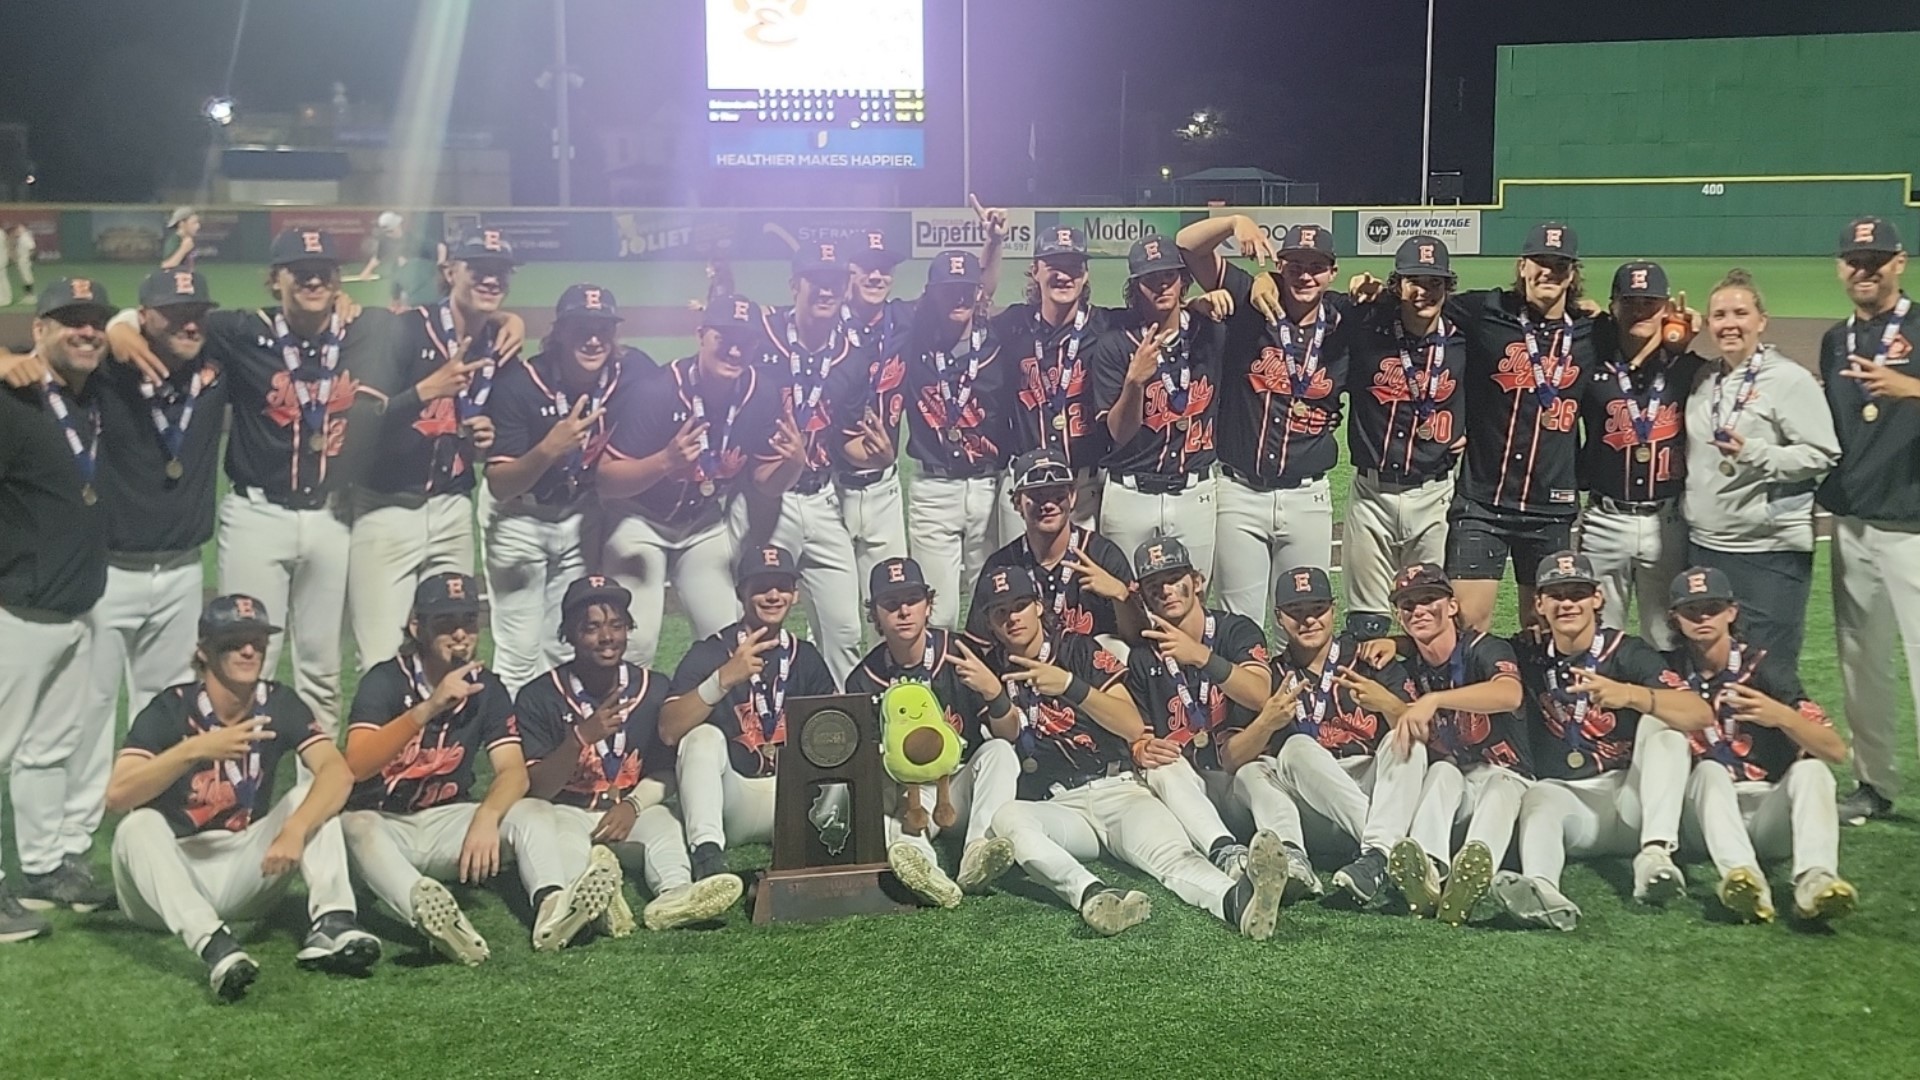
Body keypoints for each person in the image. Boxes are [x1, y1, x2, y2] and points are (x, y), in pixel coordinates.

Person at [106, 228, 401, 734]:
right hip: (256, 516)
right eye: (299, 272)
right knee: (242, 658)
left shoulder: (361, 329)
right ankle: (237, 771)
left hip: (332, 517)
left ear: (337, 280)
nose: (313, 281)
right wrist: (119, 326)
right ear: (274, 280)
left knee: (322, 666)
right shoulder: (240, 331)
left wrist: (509, 319)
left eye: (323, 272)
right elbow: (163, 318)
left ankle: (317, 775)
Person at [978, 566, 1286, 939]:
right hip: (1057, 803)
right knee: (1007, 817)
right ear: (989, 622)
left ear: (1038, 606)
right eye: (1000, 612)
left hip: (1119, 789)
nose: (1012, 618)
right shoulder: (989, 669)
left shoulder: (1076, 648)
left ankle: (1236, 901)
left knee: (1172, 858)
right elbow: (1006, 734)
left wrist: (1071, 686)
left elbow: (1131, 724)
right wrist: (995, 696)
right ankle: (1093, 895)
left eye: (1020, 606)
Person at [105, 596, 378, 1001]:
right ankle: (215, 947)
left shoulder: (278, 702)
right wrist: (192, 750)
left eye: (258, 641)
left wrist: (295, 829)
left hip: (245, 871)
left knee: (312, 796)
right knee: (137, 826)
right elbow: (117, 795)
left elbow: (338, 773)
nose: (249, 650)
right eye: (234, 641)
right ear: (204, 650)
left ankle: (334, 924)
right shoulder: (171, 708)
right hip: (164, 883)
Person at [340, 573, 610, 962]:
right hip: (383, 824)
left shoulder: (487, 687)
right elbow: (356, 766)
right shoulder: (385, 680)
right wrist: (429, 707)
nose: (460, 634)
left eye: (468, 621)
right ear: (417, 627)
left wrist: (487, 816)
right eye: (445, 623)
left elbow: (514, 772)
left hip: (449, 823)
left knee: (532, 809)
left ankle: (553, 906)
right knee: (355, 826)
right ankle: (430, 914)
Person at [66, 271, 229, 915]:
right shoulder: (106, 369)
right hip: (110, 570)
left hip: (183, 569)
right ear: (144, 316)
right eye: (173, 311)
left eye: (197, 311)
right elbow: (43, 352)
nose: (189, 323)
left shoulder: (215, 363)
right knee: (91, 711)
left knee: (165, 709)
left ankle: (158, 835)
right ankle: (71, 848)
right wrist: (115, 329)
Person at [1494, 551, 1713, 931]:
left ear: (1598, 598)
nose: (1567, 603)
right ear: (1539, 604)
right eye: (1556, 594)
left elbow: (1699, 713)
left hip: (1631, 798)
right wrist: (1401, 645)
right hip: (1571, 801)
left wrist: (1631, 695)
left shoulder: (1628, 651)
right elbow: (1468, 648)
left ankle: (1655, 855)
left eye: (1577, 593)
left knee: (1664, 728)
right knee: (1539, 797)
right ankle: (1543, 890)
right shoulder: (1526, 653)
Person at [517, 575, 746, 932]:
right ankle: (591, 904)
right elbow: (538, 789)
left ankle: (675, 896)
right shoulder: (538, 695)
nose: (607, 637)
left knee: (667, 827)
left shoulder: (653, 687)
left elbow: (666, 772)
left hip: (631, 809)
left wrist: (633, 806)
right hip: (570, 811)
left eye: (616, 625)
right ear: (569, 634)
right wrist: (579, 738)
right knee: (564, 846)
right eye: (591, 627)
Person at [349, 229, 524, 669]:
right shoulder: (402, 330)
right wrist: (424, 391)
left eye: (501, 271)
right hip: (385, 508)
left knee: (452, 651)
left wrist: (484, 440)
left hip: (452, 510)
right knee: (381, 657)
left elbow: (497, 434)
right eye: (479, 269)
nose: (491, 280)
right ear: (450, 272)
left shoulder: (501, 346)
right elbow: (357, 425)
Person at [0, 279, 113, 940]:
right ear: (38, 328)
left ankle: (42, 868)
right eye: (71, 320)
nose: (87, 331)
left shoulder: (91, 396)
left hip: (75, 609)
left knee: (50, 750)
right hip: (16, 608)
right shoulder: (11, 399)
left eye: (95, 320)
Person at [599, 295, 795, 666]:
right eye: (725, 338)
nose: (735, 350)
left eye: (746, 340)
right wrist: (664, 462)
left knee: (730, 640)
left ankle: (720, 707)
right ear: (701, 335)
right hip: (639, 520)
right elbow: (607, 480)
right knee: (634, 644)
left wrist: (794, 466)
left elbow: (765, 481)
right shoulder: (657, 391)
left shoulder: (761, 394)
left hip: (702, 523)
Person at [1177, 217, 1351, 622]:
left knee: (1305, 617)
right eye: (1295, 266)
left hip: (1308, 496)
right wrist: (1235, 222)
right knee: (1239, 620)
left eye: (1316, 267)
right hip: (1240, 494)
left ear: (1332, 272)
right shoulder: (1249, 302)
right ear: (1280, 267)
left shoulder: (1345, 321)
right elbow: (1187, 246)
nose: (1305, 276)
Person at [1665, 566, 1854, 923]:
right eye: (1691, 610)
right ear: (1675, 618)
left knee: (1813, 770)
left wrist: (1783, 717)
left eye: (1712, 608)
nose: (1703, 617)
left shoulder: (1765, 667)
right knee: (1708, 771)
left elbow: (1835, 751)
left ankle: (1816, 880)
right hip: (1702, 815)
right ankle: (1743, 879)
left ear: (1731, 612)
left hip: (1769, 809)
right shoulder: (1665, 669)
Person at [1225, 567, 1422, 908]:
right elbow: (1230, 760)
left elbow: (1423, 732)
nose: (1308, 620)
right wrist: (1266, 724)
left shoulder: (1370, 658)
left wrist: (1387, 704)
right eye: (1296, 612)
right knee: (1281, 756)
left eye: (1317, 609)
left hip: (1371, 782)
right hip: (1312, 798)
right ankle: (1381, 852)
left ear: (1333, 609)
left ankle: (1377, 854)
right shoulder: (1269, 675)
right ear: (1278, 617)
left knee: (1407, 740)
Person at [1444, 223, 1604, 632]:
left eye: (1560, 264)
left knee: (1543, 629)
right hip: (1483, 503)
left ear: (1572, 274)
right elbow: (1420, 304)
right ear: (1522, 266)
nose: (1549, 271)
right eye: (1540, 262)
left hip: (1550, 507)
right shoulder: (1485, 312)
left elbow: (1646, 334)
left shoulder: (1594, 332)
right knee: (1467, 624)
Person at [1682, 268, 1838, 679]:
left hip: (1768, 552)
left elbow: (1822, 453)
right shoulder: (1705, 378)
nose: (1729, 324)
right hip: (1707, 547)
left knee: (1769, 672)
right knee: (1712, 670)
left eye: (1740, 313)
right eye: (1719, 315)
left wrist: (1755, 453)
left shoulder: (1788, 379)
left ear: (1761, 321)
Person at [1817, 217, 1920, 825]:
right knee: (1862, 663)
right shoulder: (1836, 340)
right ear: (1840, 268)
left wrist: (1910, 388)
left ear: (1899, 262)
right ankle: (1874, 783)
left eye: (1876, 259)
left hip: (1914, 527)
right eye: (1855, 260)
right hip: (1853, 526)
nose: (1865, 270)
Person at [481, 284, 634, 694]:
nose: (593, 339)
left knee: (561, 642)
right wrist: (549, 449)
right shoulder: (519, 384)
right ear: (560, 332)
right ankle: (509, 732)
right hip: (518, 517)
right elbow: (499, 483)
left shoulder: (626, 374)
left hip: (580, 516)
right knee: (518, 651)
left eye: (603, 328)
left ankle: (552, 728)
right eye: (582, 327)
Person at [844, 557, 1020, 908]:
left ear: (928, 604)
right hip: (911, 797)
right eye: (891, 603)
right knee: (885, 801)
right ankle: (927, 871)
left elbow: (1011, 732)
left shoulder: (960, 653)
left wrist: (994, 692)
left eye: (912, 599)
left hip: (960, 786)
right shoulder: (863, 678)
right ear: (874, 614)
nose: (903, 611)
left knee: (1000, 751)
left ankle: (976, 853)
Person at [846, 251, 1008, 631]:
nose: (958, 297)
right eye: (948, 289)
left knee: (994, 607)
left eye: (966, 289)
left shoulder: (1000, 339)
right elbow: (867, 311)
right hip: (933, 490)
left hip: (988, 486)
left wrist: (995, 243)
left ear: (978, 293)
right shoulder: (912, 333)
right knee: (938, 615)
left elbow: (988, 286)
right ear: (930, 293)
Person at [1122, 539, 1296, 890]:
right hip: (1190, 791)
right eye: (1154, 585)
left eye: (1174, 578)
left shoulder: (1235, 630)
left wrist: (1201, 656)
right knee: (1162, 768)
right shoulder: (1142, 656)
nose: (1166, 590)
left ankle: (1292, 860)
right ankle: (1225, 853)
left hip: (1241, 774)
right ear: (1143, 596)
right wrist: (1141, 747)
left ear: (1197, 581)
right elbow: (1140, 733)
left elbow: (1259, 694)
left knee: (1256, 772)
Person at [660, 546, 840, 878]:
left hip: (794, 797)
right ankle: (707, 856)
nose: (773, 595)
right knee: (701, 737)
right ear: (741, 592)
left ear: (795, 594)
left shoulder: (805, 656)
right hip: (734, 798)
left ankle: (856, 845)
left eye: (782, 586)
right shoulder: (712, 651)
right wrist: (722, 680)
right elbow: (669, 730)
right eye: (761, 586)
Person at [1373, 564, 1532, 925]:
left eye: (1429, 599)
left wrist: (1436, 699)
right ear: (1399, 616)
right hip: (1460, 787)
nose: (1419, 610)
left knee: (1500, 785)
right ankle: (1428, 872)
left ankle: (1472, 873)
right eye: (1408, 605)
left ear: (1452, 606)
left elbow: (1509, 694)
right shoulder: (1411, 667)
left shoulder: (1484, 648)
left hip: (1512, 780)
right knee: (1442, 771)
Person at [745, 241, 873, 685]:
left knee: (845, 629)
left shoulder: (851, 357)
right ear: (794, 285)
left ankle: (843, 719)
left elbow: (847, 439)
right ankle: (759, 715)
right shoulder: (761, 336)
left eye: (834, 281)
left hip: (821, 497)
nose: (826, 289)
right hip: (765, 501)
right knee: (758, 624)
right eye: (815, 280)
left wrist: (876, 454)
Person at [1336, 237, 1467, 637]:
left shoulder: (1465, 338)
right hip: (1371, 494)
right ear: (1397, 285)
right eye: (1414, 281)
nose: (1424, 291)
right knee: (1367, 620)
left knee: (1428, 616)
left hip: (1434, 495)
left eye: (1435, 282)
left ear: (1448, 287)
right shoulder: (1366, 328)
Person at [1574, 262, 1704, 649]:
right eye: (1630, 302)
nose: (1639, 311)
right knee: (1598, 639)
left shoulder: (1690, 369)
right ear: (1613, 306)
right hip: (1604, 519)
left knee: (1668, 638)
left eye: (1650, 302)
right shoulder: (1591, 365)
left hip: (1668, 522)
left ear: (1667, 308)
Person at [1091, 235, 1226, 573]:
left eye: (1169, 275)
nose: (1162, 285)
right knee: (1124, 596)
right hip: (1129, 495)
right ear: (1136, 286)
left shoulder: (1210, 333)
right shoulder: (1115, 344)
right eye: (1150, 278)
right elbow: (1119, 433)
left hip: (1195, 492)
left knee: (1192, 593)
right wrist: (1134, 382)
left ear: (1183, 280)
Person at [991, 225, 1116, 536]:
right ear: (1035, 271)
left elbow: (1163, 318)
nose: (1064, 275)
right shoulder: (1013, 325)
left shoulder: (1107, 325)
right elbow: (975, 304)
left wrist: (1196, 305)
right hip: (1024, 484)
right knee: (1021, 567)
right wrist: (993, 241)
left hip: (1084, 487)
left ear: (1085, 275)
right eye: (1054, 266)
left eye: (1073, 266)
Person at [966, 447, 1140, 655]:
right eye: (1037, 496)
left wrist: (1120, 594)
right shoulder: (1001, 565)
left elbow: (1139, 639)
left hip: (1091, 667)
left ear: (1072, 497)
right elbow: (979, 645)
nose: (1048, 505)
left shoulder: (1102, 554)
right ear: (1017, 503)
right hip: (1026, 666)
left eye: (1057, 495)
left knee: (1116, 648)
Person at [835, 229, 913, 604]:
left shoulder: (904, 320)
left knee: (892, 601)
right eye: (867, 267)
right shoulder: (826, 323)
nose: (876, 276)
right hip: (832, 487)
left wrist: (993, 242)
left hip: (884, 487)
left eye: (884, 269)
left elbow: (974, 296)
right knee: (836, 614)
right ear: (849, 271)